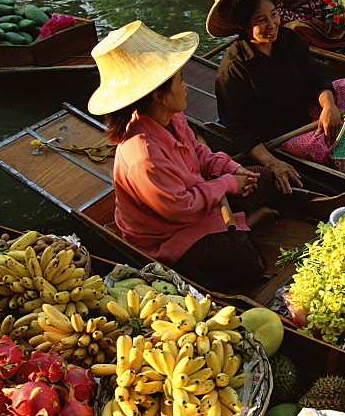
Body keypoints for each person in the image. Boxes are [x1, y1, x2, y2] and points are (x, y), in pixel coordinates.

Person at [87, 21, 280, 290]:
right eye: (180, 80)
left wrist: (232, 169)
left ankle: (235, 225)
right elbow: (180, 209)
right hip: (167, 233)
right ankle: (241, 225)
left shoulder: (173, 116)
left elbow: (200, 153)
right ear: (159, 96)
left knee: (263, 176)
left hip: (200, 198)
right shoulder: (144, 155)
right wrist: (225, 184)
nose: (186, 86)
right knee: (247, 263)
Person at [207, 0, 345, 170]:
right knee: (322, 148)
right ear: (243, 25)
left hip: (310, 108)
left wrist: (329, 106)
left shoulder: (288, 38)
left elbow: (316, 75)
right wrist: (272, 162)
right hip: (284, 133)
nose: (272, 25)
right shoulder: (233, 69)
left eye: (274, 14)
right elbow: (240, 130)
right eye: (260, 20)